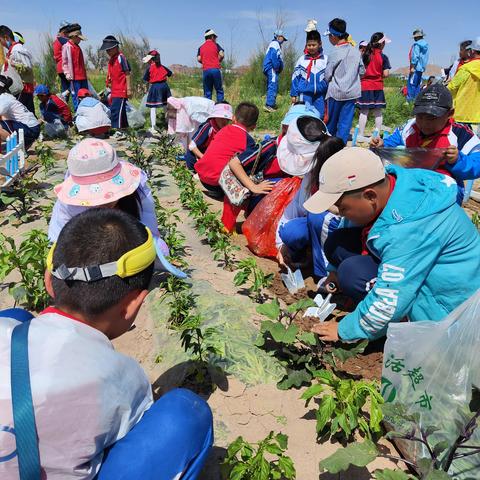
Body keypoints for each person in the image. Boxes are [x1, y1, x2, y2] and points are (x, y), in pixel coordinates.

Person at [0, 208, 213, 479]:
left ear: (49, 282)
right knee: (185, 414)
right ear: (134, 304)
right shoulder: (124, 377)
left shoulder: (4, 328)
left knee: (17, 318)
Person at [303, 147, 480, 342]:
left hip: (447, 309)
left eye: (342, 207)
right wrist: (334, 271)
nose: (339, 213)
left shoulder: (410, 228)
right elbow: (347, 224)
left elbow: (392, 297)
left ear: (370, 196)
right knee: (338, 243)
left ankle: (402, 322)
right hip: (415, 267)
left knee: (354, 274)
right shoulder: (393, 185)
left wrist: (345, 330)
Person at [370, 83, 480, 204]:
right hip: (411, 182)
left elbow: (477, 164)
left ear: (450, 114)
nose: (424, 123)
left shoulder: (461, 135)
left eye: (431, 118)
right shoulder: (410, 127)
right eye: (420, 117)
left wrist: (457, 160)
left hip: (443, 189)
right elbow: (393, 142)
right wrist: (382, 144)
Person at [276, 117, 345, 282]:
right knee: (291, 231)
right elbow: (293, 209)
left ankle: (325, 275)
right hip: (321, 227)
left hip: (344, 229)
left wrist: (328, 207)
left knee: (318, 217)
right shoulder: (311, 175)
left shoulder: (339, 171)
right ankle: (307, 256)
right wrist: (281, 245)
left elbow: (348, 216)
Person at [194, 102, 262, 196]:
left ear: (233, 118)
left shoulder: (222, 130)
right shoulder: (248, 140)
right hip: (219, 183)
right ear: (254, 126)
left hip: (203, 178)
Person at [324, 18, 364, 143]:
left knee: (331, 123)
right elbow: (362, 71)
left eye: (329, 35)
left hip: (336, 93)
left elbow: (328, 74)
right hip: (351, 93)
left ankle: (329, 147)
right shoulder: (355, 51)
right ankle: (340, 148)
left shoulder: (335, 52)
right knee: (345, 124)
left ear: (334, 36)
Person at [356, 32, 391, 141]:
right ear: (382, 44)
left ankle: (361, 135)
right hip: (377, 86)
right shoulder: (383, 57)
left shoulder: (364, 55)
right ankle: (376, 135)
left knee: (364, 111)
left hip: (365, 86)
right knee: (378, 112)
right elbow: (386, 74)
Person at [184, 102, 233, 170]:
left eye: (227, 119)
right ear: (215, 117)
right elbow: (192, 146)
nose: (224, 121)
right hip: (196, 158)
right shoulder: (208, 127)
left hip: (209, 157)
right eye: (221, 118)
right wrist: (204, 158)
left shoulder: (224, 129)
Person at [290, 29, 328, 118]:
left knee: (320, 115)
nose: (311, 47)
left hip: (320, 95)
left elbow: (329, 77)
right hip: (305, 94)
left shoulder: (325, 59)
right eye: (309, 45)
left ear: (320, 44)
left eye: (314, 45)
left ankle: (318, 131)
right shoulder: (302, 60)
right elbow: (295, 77)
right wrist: (294, 94)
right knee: (305, 115)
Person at [448, 37, 480, 136]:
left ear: (471, 51)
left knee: (462, 148)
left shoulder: (465, 69)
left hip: (463, 117)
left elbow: (451, 88)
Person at [0, 25, 35, 113]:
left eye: (0, 41)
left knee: (25, 115)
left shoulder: (17, 50)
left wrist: (13, 64)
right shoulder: (12, 51)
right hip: (18, 89)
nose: (1, 44)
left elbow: (28, 67)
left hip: (23, 89)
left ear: (6, 38)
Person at [0, 75, 40, 149]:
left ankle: (19, 147)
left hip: (30, 129)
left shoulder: (3, 98)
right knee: (3, 119)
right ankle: (23, 145)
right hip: (32, 127)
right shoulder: (6, 96)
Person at [101, 35, 131, 131]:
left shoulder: (121, 58)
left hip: (121, 89)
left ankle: (118, 129)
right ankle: (125, 129)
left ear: (115, 47)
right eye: (106, 50)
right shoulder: (111, 60)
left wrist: (129, 89)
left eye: (109, 50)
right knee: (121, 111)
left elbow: (127, 73)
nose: (107, 52)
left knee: (116, 110)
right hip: (114, 89)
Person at [142, 50, 173, 135]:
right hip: (164, 86)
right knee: (166, 106)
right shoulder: (163, 67)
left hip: (155, 87)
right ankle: (169, 126)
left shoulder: (150, 68)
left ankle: (153, 127)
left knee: (153, 107)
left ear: (151, 60)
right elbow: (170, 73)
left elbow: (146, 79)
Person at [62, 25, 88, 111]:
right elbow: (65, 62)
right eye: (79, 38)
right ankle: (78, 114)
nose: (80, 40)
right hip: (74, 77)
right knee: (76, 96)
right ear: (73, 36)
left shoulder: (78, 47)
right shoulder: (67, 46)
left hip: (82, 76)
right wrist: (67, 74)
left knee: (85, 95)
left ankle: (86, 112)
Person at [263, 30, 288, 112]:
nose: (283, 41)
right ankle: (269, 105)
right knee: (273, 85)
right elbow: (274, 56)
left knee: (272, 84)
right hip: (272, 67)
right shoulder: (275, 44)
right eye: (282, 38)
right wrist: (277, 67)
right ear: (278, 36)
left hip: (271, 68)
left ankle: (271, 103)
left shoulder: (276, 44)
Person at [197, 29, 224, 102]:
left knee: (207, 92)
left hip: (206, 70)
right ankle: (220, 107)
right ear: (212, 37)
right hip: (215, 69)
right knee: (219, 90)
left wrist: (206, 62)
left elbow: (199, 58)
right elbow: (221, 54)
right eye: (215, 37)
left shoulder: (201, 47)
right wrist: (217, 61)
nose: (216, 39)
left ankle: (208, 109)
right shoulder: (216, 45)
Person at [406, 28, 429, 101]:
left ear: (418, 37)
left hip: (415, 68)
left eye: (415, 37)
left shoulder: (417, 45)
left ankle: (410, 101)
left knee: (411, 84)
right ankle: (416, 100)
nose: (414, 39)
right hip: (421, 68)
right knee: (417, 85)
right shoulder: (425, 45)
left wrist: (412, 67)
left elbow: (415, 56)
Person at [53, 21, 72, 98]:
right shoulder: (62, 40)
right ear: (64, 31)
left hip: (60, 68)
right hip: (65, 68)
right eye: (68, 31)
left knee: (65, 88)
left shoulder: (57, 41)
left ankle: (63, 104)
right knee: (71, 87)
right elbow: (58, 56)